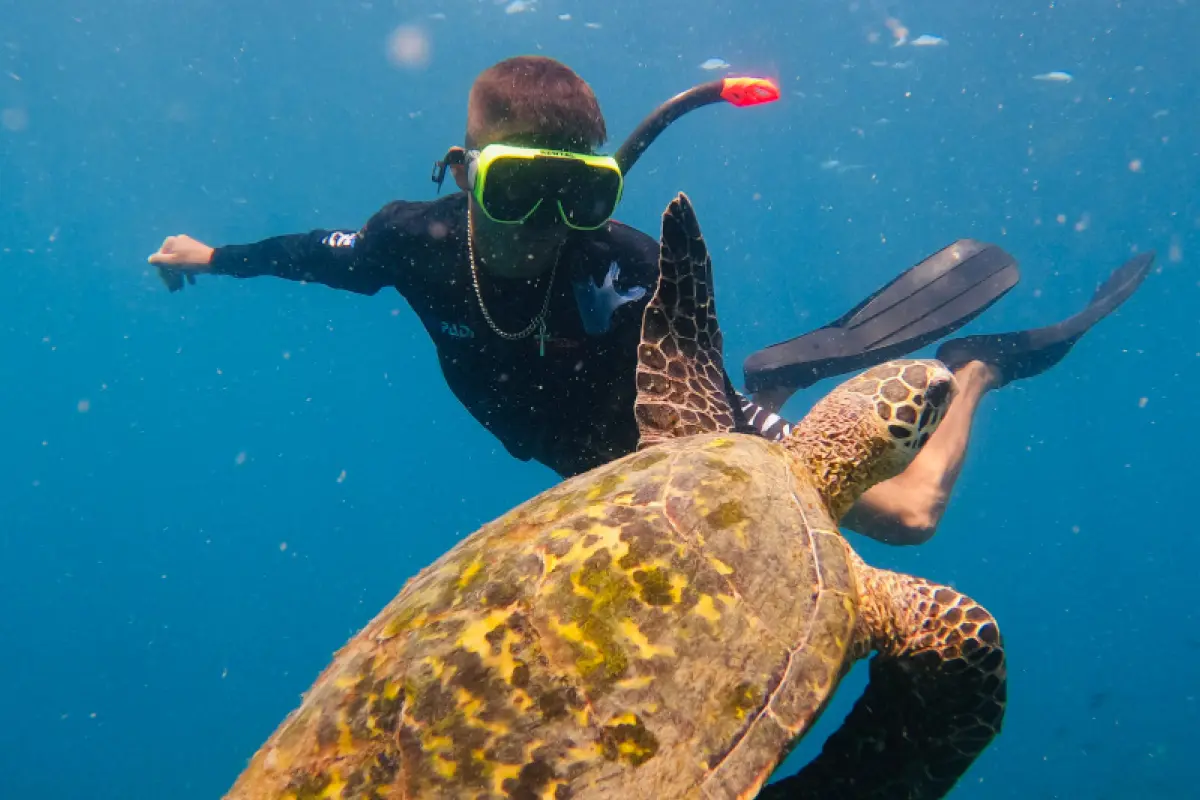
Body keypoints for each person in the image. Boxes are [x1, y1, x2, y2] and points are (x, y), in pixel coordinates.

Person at [147, 56, 1151, 545]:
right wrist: (211, 252)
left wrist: (750, 444)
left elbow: (692, 415)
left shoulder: (621, 264)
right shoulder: (412, 242)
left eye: (577, 194)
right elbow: (308, 253)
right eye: (515, 191)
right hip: (580, 461)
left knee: (907, 515)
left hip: (682, 430)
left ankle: (967, 376)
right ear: (464, 174)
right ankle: (793, 371)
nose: (548, 222)